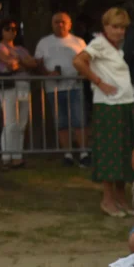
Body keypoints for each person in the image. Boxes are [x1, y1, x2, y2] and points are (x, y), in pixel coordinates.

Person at [73, 7, 134, 217]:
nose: (119, 31)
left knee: (123, 153)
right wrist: (99, 82)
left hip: (124, 103)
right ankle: (107, 200)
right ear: (105, 27)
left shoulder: (116, 48)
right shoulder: (98, 43)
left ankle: (121, 198)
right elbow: (78, 61)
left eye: (122, 27)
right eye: (115, 27)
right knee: (110, 153)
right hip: (108, 105)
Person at [34, 11, 88, 164]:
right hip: (54, 89)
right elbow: (38, 63)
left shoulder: (79, 41)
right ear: (52, 24)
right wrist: (47, 73)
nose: (60, 25)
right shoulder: (44, 42)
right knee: (61, 122)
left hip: (75, 87)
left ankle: (84, 154)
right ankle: (68, 155)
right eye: (57, 22)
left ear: (69, 24)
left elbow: (86, 60)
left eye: (63, 22)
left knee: (79, 120)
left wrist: (80, 71)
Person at [0, 17, 39, 168]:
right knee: (10, 122)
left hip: (23, 85)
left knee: (22, 122)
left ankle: (17, 156)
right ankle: (7, 156)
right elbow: (10, 63)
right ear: (1, 30)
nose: (11, 32)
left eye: (14, 29)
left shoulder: (21, 49)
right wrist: (21, 62)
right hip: (8, 86)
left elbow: (33, 63)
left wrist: (18, 61)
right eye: (8, 28)